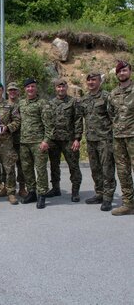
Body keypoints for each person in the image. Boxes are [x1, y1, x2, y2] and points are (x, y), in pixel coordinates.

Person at [79, 71, 115, 211]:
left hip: (105, 139)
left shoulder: (107, 97)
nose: (91, 82)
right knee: (95, 169)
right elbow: (81, 118)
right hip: (90, 140)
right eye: (89, 80)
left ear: (100, 81)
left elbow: (114, 116)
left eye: (94, 80)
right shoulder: (85, 99)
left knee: (107, 168)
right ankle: (99, 193)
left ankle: (108, 197)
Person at [19, 78, 54, 209]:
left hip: (38, 143)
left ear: (36, 88)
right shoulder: (21, 103)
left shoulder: (42, 103)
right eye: (28, 87)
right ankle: (32, 192)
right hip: (24, 142)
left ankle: (42, 194)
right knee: (27, 169)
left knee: (40, 169)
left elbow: (49, 124)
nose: (30, 89)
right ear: (25, 89)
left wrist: (46, 140)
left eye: (32, 86)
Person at [47, 78, 82, 202]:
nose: (61, 89)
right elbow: (48, 122)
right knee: (54, 165)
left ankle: (75, 191)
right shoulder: (50, 103)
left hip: (69, 140)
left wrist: (77, 139)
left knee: (73, 166)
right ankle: (56, 188)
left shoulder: (73, 102)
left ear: (66, 87)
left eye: (63, 87)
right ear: (55, 88)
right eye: (58, 87)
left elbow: (78, 120)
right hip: (55, 140)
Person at [108, 61, 134, 215]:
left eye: (124, 70)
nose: (122, 73)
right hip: (118, 137)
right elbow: (111, 114)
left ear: (129, 72)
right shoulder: (113, 94)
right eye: (119, 71)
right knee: (123, 171)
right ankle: (128, 203)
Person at [2, 82, 27, 198]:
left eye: (14, 90)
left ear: (18, 92)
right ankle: (6, 186)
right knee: (6, 165)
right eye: (10, 90)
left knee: (21, 165)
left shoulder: (22, 104)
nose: (12, 92)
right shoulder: (3, 104)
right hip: (6, 139)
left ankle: (22, 187)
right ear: (7, 92)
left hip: (20, 138)